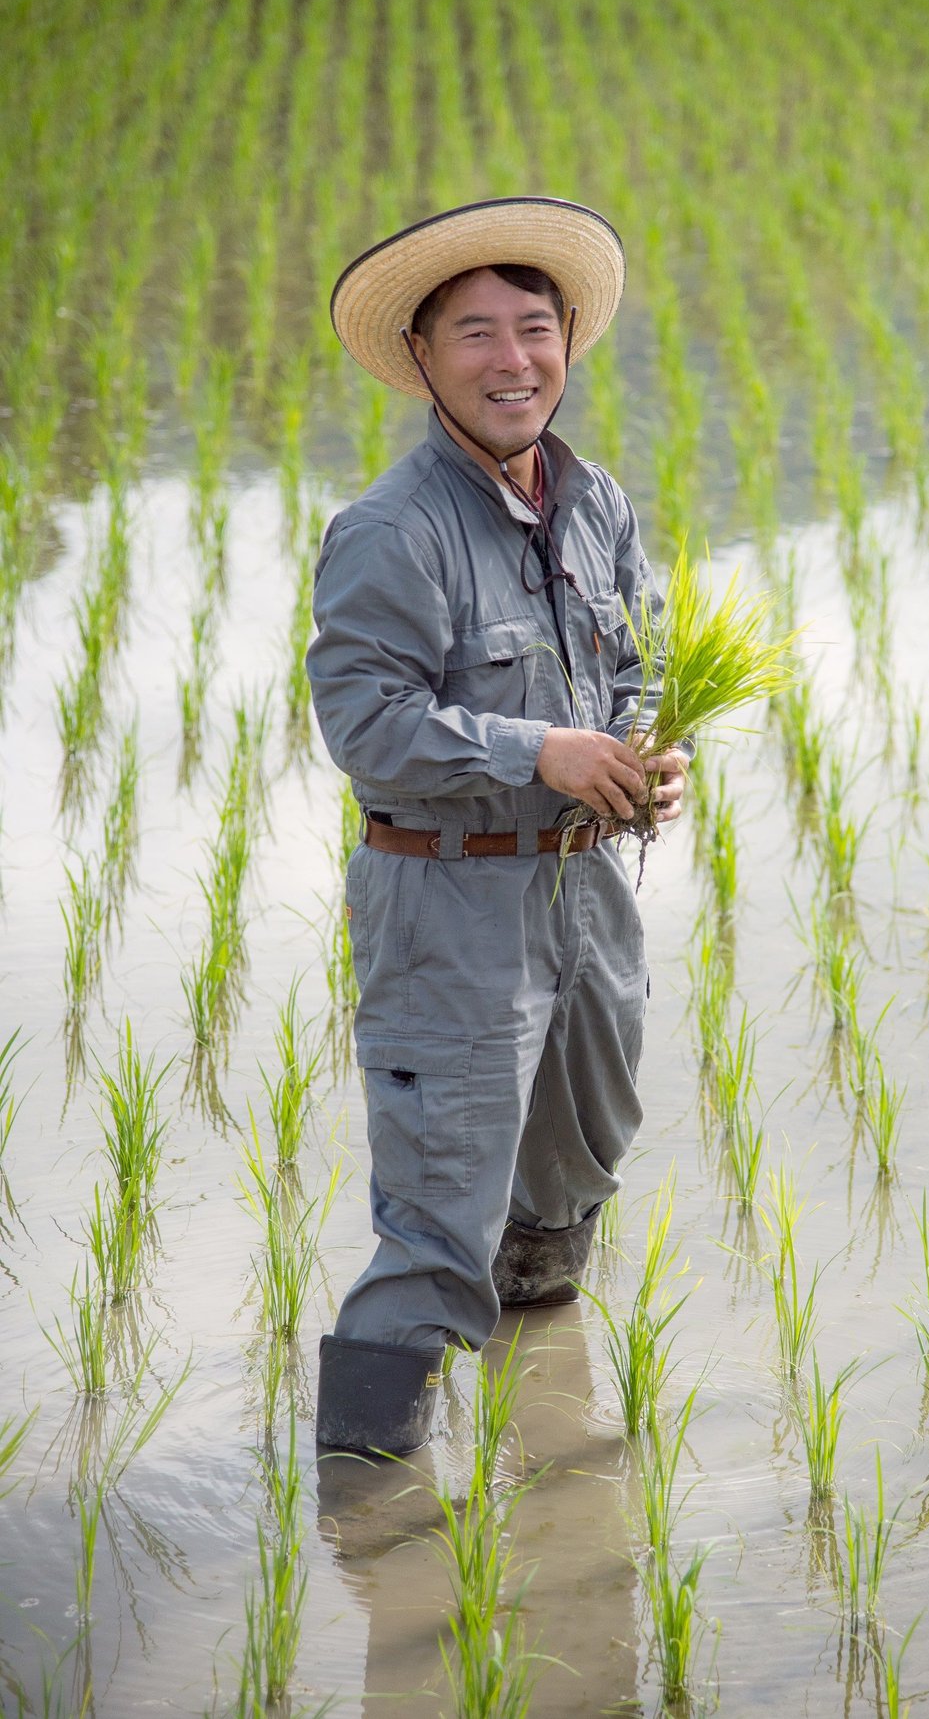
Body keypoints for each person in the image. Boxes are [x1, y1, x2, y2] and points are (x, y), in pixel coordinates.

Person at [307, 196, 686, 1457]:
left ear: (570, 341)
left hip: (587, 898)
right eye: (475, 332)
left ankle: (545, 1456)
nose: (511, 359)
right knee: (437, 1222)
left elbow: (639, 659)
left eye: (535, 327)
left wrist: (639, 754)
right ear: (421, 356)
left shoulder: (598, 505)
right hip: (451, 907)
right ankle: (369, 1517)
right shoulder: (388, 531)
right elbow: (367, 728)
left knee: (579, 1160)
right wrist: (546, 752)